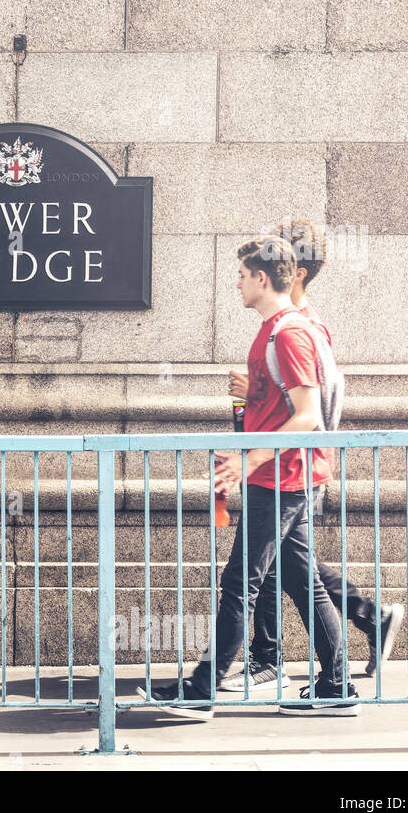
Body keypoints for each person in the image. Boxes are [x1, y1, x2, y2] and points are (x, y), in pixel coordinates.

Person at [139, 236, 358, 718]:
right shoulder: (274, 331)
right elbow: (280, 405)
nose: (236, 282)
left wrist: (249, 461)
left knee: (240, 582)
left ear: (263, 279)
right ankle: (337, 686)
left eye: (242, 275)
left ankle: (201, 692)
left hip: (283, 477)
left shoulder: (289, 334)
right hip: (282, 473)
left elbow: (306, 417)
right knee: (304, 582)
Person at [223, 219, 404, 692]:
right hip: (280, 462)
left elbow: (314, 410)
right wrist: (256, 395)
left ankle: (269, 660)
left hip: (289, 467)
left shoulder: (299, 329)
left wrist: (258, 448)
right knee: (292, 569)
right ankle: (346, 655)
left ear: (294, 273)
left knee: (259, 571)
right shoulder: (280, 326)